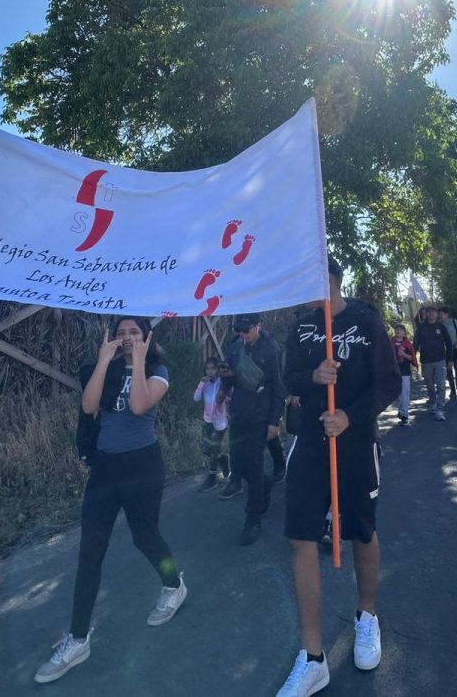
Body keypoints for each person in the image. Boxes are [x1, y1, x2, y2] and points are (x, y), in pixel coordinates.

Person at [35, 317, 186, 684]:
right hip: (105, 468)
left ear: (146, 336)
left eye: (134, 332)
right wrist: (105, 360)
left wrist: (138, 361)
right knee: (90, 550)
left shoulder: (159, 371)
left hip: (142, 466)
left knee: (145, 536)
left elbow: (139, 406)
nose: (127, 338)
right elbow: (89, 406)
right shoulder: (109, 367)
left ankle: (173, 586)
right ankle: (78, 638)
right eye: (121, 334)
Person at [276, 257, 401, 696]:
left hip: (355, 441)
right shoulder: (301, 327)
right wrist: (312, 376)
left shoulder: (367, 322)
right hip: (311, 442)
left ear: (329, 280)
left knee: (361, 531)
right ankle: (313, 658)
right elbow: (288, 377)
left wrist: (349, 416)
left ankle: (366, 616)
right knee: (300, 536)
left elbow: (388, 383)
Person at [220, 314, 287, 546]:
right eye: (239, 330)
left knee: (255, 465)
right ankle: (265, 484)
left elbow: (278, 386)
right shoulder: (236, 347)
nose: (242, 334)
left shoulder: (270, 348)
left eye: (246, 330)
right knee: (239, 466)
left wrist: (274, 420)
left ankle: (253, 520)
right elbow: (229, 376)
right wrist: (225, 381)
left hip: (260, 414)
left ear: (258, 326)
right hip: (239, 413)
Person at [194, 357, 230, 491]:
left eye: (213, 368)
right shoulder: (205, 384)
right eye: (208, 368)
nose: (210, 371)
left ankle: (211, 478)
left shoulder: (222, 383)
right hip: (208, 420)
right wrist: (201, 384)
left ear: (218, 370)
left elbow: (228, 396)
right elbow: (196, 398)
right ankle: (223, 458)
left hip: (220, 421)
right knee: (205, 448)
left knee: (214, 448)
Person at [413, 305, 453, 420]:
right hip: (426, 361)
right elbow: (415, 344)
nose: (431, 314)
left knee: (441, 385)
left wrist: (450, 359)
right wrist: (412, 359)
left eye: (433, 312)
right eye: (429, 312)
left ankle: (440, 409)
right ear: (426, 314)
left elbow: (449, 343)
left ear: (437, 314)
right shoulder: (421, 327)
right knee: (430, 386)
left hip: (440, 361)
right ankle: (433, 402)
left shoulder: (441, 326)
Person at [437, 307, 457, 400]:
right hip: (445, 351)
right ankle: (452, 390)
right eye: (439, 314)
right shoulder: (439, 325)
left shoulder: (454, 322)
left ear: (446, 314)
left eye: (441, 314)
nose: (440, 316)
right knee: (449, 371)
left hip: (455, 348)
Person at [391, 323, 416, 425]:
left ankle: (405, 415)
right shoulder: (390, 343)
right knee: (397, 394)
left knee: (405, 393)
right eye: (397, 329)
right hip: (394, 372)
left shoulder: (407, 344)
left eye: (401, 330)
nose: (398, 331)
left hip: (405, 371)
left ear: (404, 333)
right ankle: (401, 410)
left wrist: (403, 354)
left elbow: (411, 358)